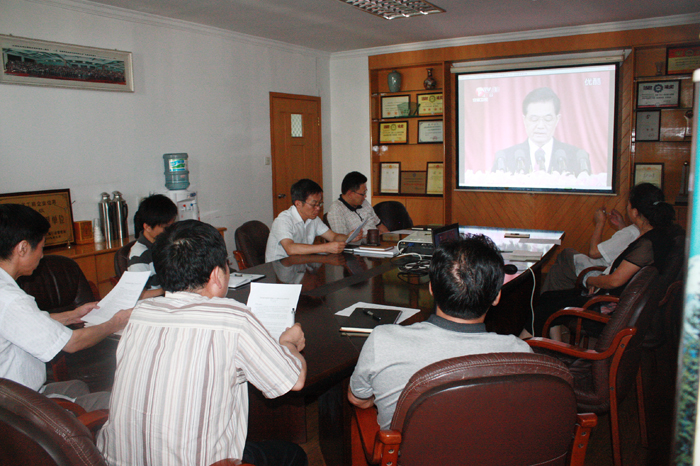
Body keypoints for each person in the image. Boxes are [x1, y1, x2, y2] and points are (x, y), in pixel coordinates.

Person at [97, 220, 308, 466]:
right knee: (294, 455)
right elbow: (295, 381)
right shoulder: (232, 318)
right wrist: (288, 344)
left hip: (115, 460)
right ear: (217, 275)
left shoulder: (139, 313)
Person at [347, 234, 532, 430]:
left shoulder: (382, 341)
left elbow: (358, 399)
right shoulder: (520, 354)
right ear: (496, 296)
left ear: (431, 289)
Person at [0, 204, 131, 410]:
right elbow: (72, 343)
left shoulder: (5, 292)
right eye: (41, 248)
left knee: (77, 386)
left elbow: (23, 324)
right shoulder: (10, 299)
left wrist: (72, 316)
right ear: (23, 248)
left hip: (14, 394)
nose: (42, 256)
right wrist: (116, 322)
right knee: (115, 404)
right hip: (17, 408)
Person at [528, 183, 681, 338]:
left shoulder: (647, 244)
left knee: (543, 309)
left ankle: (524, 349)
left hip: (608, 307)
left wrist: (592, 281)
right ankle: (554, 346)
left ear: (635, 212)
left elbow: (614, 281)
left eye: (628, 204)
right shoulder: (660, 236)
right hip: (619, 302)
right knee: (547, 298)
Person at [492, 87, 591, 176]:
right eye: (534, 119)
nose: (540, 126)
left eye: (547, 119)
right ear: (524, 120)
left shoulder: (577, 157)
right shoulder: (505, 157)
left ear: (557, 120)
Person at [541, 205, 640, 293]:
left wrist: (600, 223)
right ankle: (546, 303)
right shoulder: (643, 230)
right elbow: (626, 243)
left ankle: (543, 304)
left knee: (565, 253)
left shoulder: (631, 232)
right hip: (607, 270)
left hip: (599, 274)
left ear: (635, 212)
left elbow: (593, 252)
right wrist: (621, 225)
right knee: (557, 270)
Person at [265, 178, 351, 262]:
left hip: (300, 264)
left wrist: (348, 237)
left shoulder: (313, 219)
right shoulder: (283, 220)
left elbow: (333, 237)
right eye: (314, 204)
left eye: (319, 204)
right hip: (279, 268)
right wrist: (326, 247)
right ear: (298, 203)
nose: (317, 208)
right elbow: (290, 248)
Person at [128, 194, 178, 299]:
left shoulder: (166, 244)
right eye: (165, 227)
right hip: (154, 305)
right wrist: (169, 289)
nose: (171, 231)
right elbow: (139, 295)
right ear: (148, 227)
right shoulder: (139, 255)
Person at [327, 171, 389, 237]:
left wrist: (389, 236)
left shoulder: (364, 203)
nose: (365, 196)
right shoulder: (336, 209)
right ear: (350, 194)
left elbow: (379, 225)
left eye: (365, 192)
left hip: (376, 243)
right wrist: (371, 237)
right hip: (358, 246)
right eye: (363, 193)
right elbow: (342, 240)